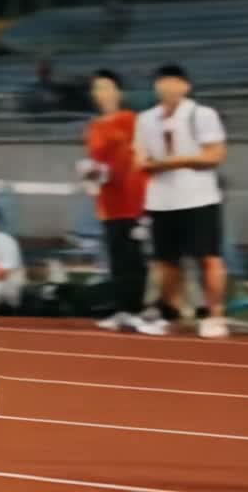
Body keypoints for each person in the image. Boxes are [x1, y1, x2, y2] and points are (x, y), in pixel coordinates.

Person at [134, 64, 230, 338]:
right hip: (161, 200)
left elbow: (215, 155)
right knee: (166, 261)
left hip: (199, 197)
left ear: (185, 86)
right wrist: (147, 163)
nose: (166, 86)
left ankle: (216, 315)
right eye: (161, 82)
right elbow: (139, 158)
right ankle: (173, 314)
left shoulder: (201, 114)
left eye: (173, 81)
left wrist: (175, 161)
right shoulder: (146, 119)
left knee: (209, 257)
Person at [82, 69, 158, 334]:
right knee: (116, 259)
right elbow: (98, 164)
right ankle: (122, 309)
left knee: (134, 257)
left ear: (117, 91)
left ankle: (139, 310)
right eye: (96, 89)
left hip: (134, 200)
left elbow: (143, 157)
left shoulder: (132, 121)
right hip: (109, 202)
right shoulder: (94, 128)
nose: (101, 93)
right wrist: (91, 173)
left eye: (105, 87)